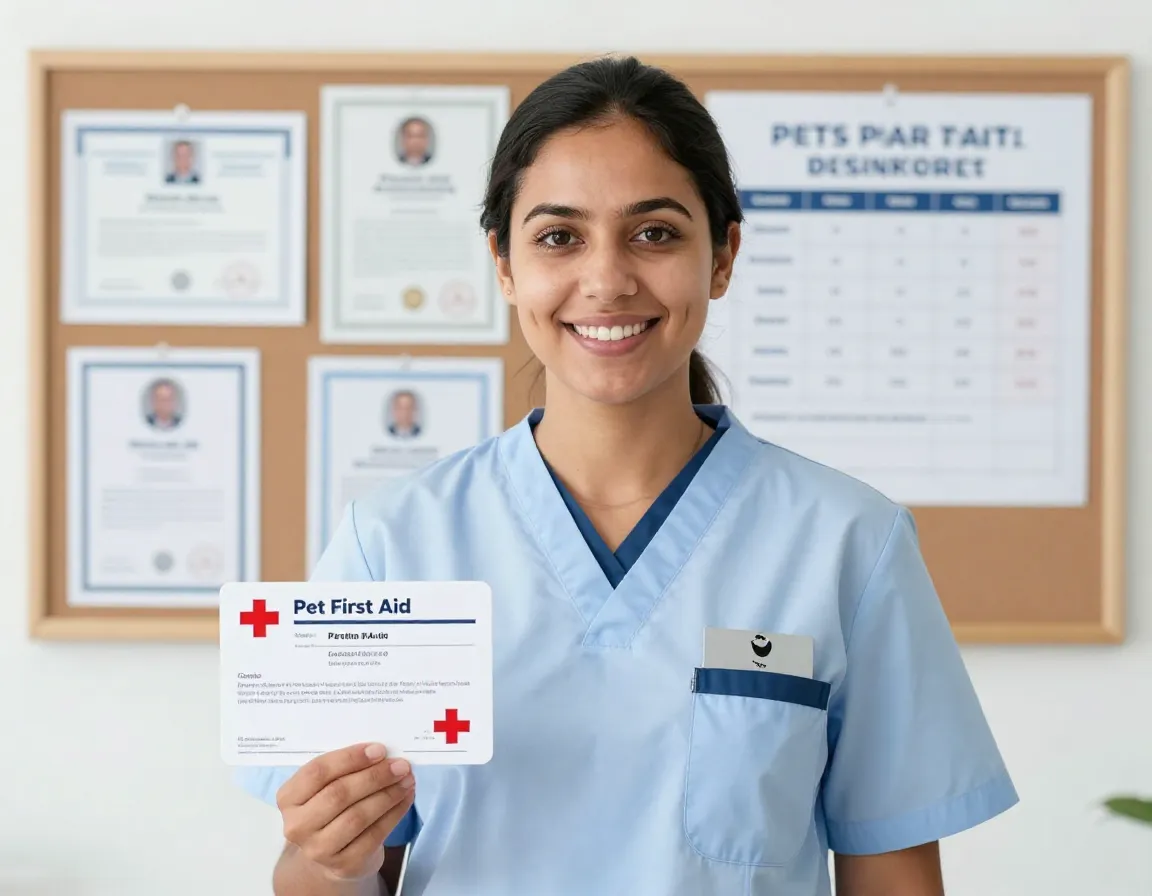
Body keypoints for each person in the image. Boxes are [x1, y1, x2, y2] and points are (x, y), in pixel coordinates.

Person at [234, 54, 1018, 896]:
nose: (606, 280)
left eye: (655, 233)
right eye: (559, 237)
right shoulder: (394, 543)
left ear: (723, 256)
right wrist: (329, 857)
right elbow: (326, 877)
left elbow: (895, 879)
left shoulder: (848, 542)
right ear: (504, 263)